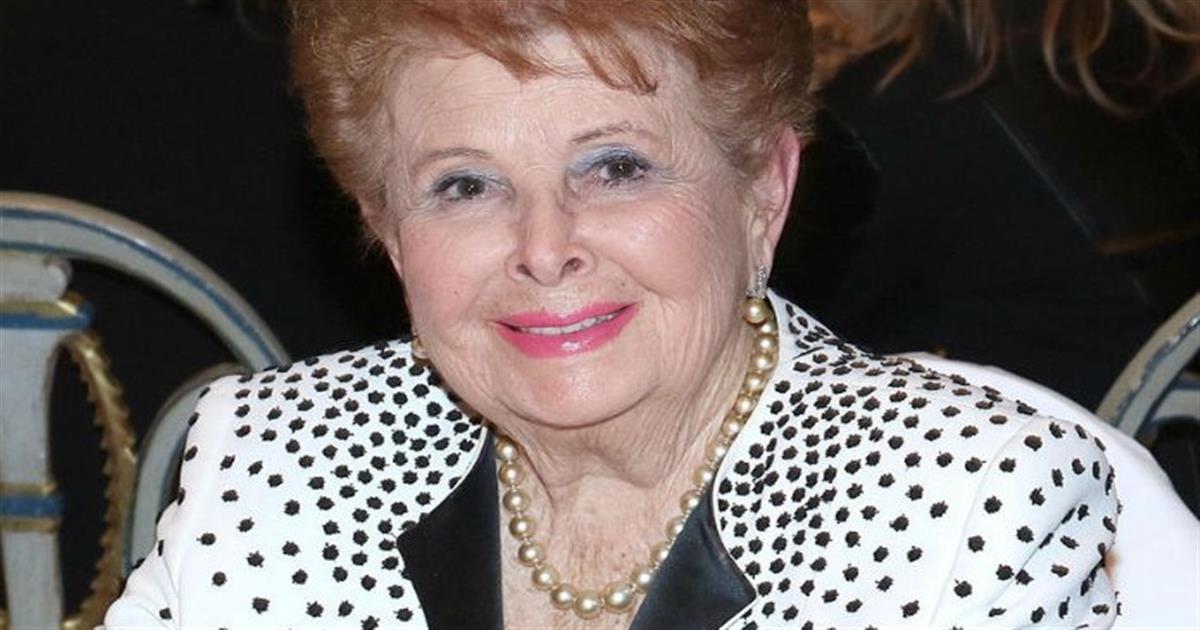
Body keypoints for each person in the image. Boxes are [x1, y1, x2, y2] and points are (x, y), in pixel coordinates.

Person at [104, 1, 1123, 627]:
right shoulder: (277, 456)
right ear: (386, 227)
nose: (544, 246)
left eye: (616, 168)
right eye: (466, 186)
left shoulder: (964, 501)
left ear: (763, 188)